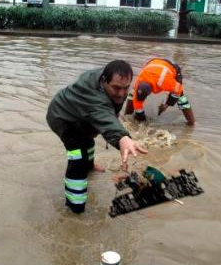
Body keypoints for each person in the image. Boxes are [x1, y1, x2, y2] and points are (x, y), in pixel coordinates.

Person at [46, 60, 148, 214]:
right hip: (63, 118)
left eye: (126, 88)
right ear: (104, 81)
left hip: (81, 115)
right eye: (116, 88)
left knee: (87, 141)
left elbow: (106, 115)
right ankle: (75, 208)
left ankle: (90, 167)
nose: (121, 93)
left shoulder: (107, 76)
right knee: (78, 158)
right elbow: (104, 117)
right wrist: (123, 138)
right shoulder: (92, 96)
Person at [124, 58, 195, 125]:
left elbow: (178, 90)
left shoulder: (163, 81)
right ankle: (126, 117)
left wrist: (167, 105)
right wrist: (141, 118)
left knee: (181, 97)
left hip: (172, 67)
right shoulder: (138, 83)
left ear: (150, 91)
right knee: (132, 95)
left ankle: (191, 122)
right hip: (152, 63)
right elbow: (138, 107)